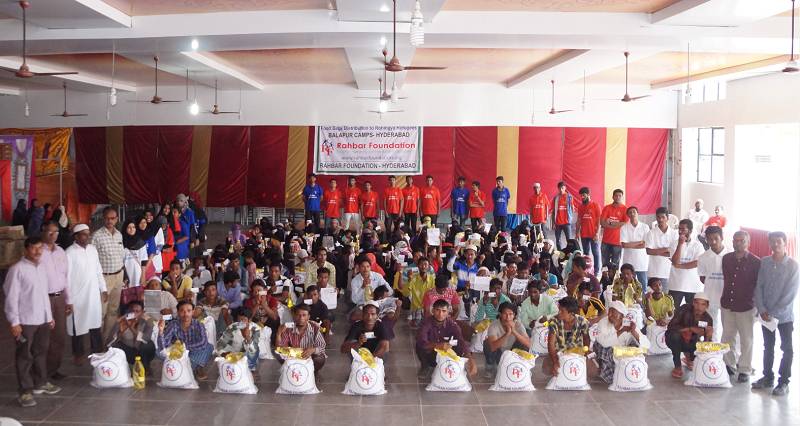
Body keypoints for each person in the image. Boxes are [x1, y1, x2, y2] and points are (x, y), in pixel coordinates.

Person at [4, 237, 61, 407]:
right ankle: (25, 391)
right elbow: (11, 297)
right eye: (34, 248)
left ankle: (40, 383)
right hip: (26, 320)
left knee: (41, 352)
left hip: (42, 319)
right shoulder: (17, 270)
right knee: (24, 355)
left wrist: (49, 317)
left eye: (40, 248)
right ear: (26, 250)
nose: (37, 252)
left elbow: (44, 295)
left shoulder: (42, 268)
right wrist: (14, 322)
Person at [752, 231, 799, 396]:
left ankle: (783, 382)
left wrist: (773, 312)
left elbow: (790, 294)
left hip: (784, 317)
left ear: (785, 242)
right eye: (772, 242)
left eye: (778, 241)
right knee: (767, 347)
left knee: (787, 348)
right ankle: (767, 377)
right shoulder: (764, 262)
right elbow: (759, 286)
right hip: (765, 315)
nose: (775, 245)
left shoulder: (793, 265)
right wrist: (762, 309)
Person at [720, 230, 760, 384]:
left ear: (748, 242)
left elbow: (758, 285)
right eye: (735, 240)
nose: (738, 243)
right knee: (727, 337)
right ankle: (729, 364)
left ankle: (744, 369)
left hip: (746, 306)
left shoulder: (756, 262)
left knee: (746, 339)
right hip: (728, 304)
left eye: (741, 240)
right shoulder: (726, 259)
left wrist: (758, 306)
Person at [66, 224, 107, 364]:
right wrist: (69, 299)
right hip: (77, 297)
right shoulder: (69, 252)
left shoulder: (92, 250)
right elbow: (67, 277)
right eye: (84, 234)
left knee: (95, 323)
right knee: (78, 325)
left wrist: (103, 289)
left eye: (88, 233)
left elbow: (98, 270)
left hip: (93, 294)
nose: (87, 236)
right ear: (76, 236)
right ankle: (78, 354)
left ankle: (98, 350)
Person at [415, 299, 477, 379]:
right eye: (438, 310)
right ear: (433, 311)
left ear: (448, 312)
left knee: (458, 344)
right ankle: (425, 367)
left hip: (447, 355)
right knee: (419, 345)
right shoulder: (426, 323)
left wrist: (471, 360)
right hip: (431, 355)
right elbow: (422, 341)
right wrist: (437, 345)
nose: (440, 314)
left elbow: (461, 341)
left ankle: (452, 366)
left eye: (444, 311)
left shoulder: (452, 324)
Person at [40, 221, 71, 380]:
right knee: (43, 337)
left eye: (56, 232)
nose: (53, 235)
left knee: (59, 337)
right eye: (49, 232)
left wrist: (69, 300)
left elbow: (65, 278)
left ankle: (52, 369)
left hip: (59, 298)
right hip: (42, 299)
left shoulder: (60, 252)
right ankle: (39, 372)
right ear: (43, 231)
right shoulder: (38, 251)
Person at [157, 300, 215, 379]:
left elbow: (203, 342)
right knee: (158, 351)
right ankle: (189, 367)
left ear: (193, 312)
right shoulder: (173, 324)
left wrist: (183, 347)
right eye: (182, 311)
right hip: (178, 353)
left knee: (209, 347)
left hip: (194, 352)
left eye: (188, 311)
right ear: (178, 312)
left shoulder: (198, 325)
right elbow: (165, 345)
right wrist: (160, 331)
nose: (186, 314)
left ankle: (197, 367)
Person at [91, 206, 125, 339]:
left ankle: (105, 340)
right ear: (103, 219)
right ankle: (96, 342)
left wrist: (124, 275)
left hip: (119, 276)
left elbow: (121, 255)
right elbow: (92, 260)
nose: (110, 221)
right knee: (100, 311)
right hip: (104, 278)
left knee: (113, 310)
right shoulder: (96, 236)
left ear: (116, 219)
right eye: (107, 218)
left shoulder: (119, 234)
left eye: (112, 218)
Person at [593, 301, 643, 384]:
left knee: (636, 346)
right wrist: (621, 331)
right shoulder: (603, 323)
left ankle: (628, 373)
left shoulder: (629, 323)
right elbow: (604, 342)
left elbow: (644, 344)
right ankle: (606, 372)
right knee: (602, 346)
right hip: (608, 351)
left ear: (622, 316)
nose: (609, 315)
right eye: (609, 312)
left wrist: (633, 331)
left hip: (622, 352)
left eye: (613, 313)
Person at [666, 293, 713, 379]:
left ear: (707, 306)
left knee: (697, 346)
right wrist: (690, 329)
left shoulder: (708, 319)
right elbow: (671, 327)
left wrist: (708, 336)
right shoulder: (684, 309)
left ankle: (689, 358)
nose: (699, 307)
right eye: (697, 303)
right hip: (674, 340)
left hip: (692, 343)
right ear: (693, 303)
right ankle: (677, 366)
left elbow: (707, 344)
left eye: (703, 304)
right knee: (675, 336)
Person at [697, 226, 730, 343]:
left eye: (716, 238)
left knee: (729, 327)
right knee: (710, 325)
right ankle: (712, 350)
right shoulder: (703, 257)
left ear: (722, 237)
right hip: (710, 296)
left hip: (728, 297)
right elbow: (702, 277)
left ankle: (728, 354)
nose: (713, 242)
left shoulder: (731, 255)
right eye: (710, 239)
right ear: (706, 240)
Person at [545, 297, 591, 376]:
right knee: (546, 368)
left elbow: (586, 339)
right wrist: (555, 362)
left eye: (562, 311)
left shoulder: (583, 321)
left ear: (571, 313)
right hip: (559, 354)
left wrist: (585, 355)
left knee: (592, 371)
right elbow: (551, 344)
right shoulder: (554, 322)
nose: (559, 313)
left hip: (577, 354)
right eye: (559, 309)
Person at [483, 302, 531, 378]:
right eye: (505, 314)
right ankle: (490, 365)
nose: (508, 317)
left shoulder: (518, 325)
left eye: (511, 314)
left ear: (514, 315)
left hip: (513, 353)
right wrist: (507, 333)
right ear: (500, 314)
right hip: (499, 354)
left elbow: (528, 344)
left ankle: (519, 366)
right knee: (487, 343)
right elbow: (492, 347)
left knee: (523, 343)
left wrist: (514, 331)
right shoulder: (494, 325)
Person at [276, 304, 327, 372]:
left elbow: (322, 346)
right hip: (293, 357)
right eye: (298, 315)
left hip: (310, 357)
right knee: (279, 354)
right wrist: (278, 333)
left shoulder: (315, 327)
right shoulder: (288, 328)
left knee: (320, 358)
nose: (301, 318)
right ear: (294, 316)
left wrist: (312, 350)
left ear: (308, 317)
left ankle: (312, 372)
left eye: (304, 315)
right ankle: (292, 372)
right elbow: (280, 348)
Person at [107, 301, 156, 370]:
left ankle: (145, 367)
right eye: (132, 311)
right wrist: (118, 322)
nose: (134, 313)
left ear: (142, 312)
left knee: (147, 345)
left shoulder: (147, 321)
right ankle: (119, 368)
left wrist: (131, 327)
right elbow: (111, 340)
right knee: (115, 346)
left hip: (142, 352)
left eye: (137, 311)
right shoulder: (123, 321)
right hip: (129, 352)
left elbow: (146, 338)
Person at [668, 219, 705, 307]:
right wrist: (680, 244)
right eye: (679, 229)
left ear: (690, 231)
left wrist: (679, 266)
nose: (680, 232)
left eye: (683, 229)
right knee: (672, 313)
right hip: (676, 285)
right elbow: (675, 261)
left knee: (693, 314)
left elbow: (697, 263)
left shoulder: (698, 245)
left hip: (693, 286)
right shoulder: (674, 243)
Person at [646, 207, 677, 292]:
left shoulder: (674, 234)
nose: (660, 219)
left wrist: (657, 251)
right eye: (658, 217)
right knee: (651, 298)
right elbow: (649, 251)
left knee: (665, 298)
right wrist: (666, 249)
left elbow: (674, 253)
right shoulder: (651, 233)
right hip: (653, 271)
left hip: (668, 271)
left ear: (667, 218)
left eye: (663, 217)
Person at [600, 189, 628, 277]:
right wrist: (617, 224)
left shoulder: (625, 209)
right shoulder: (607, 208)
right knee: (605, 264)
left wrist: (611, 223)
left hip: (618, 242)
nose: (618, 197)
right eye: (616, 195)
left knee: (615, 265)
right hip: (606, 241)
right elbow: (602, 222)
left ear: (622, 197)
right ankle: (605, 281)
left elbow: (625, 224)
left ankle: (614, 282)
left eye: (620, 196)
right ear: (613, 197)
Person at [620, 206, 650, 289]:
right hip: (628, 262)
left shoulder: (645, 227)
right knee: (627, 287)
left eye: (634, 212)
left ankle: (643, 302)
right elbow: (624, 245)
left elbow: (645, 244)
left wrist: (631, 244)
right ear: (628, 215)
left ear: (638, 213)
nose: (632, 214)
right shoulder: (624, 227)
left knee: (643, 287)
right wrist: (640, 242)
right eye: (630, 212)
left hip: (642, 262)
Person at [576, 187, 602, 276]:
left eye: (584, 195)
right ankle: (587, 270)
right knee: (586, 254)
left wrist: (597, 233)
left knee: (596, 253)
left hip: (593, 234)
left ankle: (596, 271)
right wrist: (576, 232)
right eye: (581, 196)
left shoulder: (595, 205)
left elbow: (599, 221)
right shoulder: (580, 207)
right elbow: (579, 220)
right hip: (584, 234)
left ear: (588, 195)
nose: (582, 197)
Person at [407, 256, 435, 326]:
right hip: (416, 308)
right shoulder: (412, 278)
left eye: (425, 264)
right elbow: (406, 293)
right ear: (417, 266)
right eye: (421, 264)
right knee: (416, 326)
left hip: (428, 308)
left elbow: (434, 295)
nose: (423, 266)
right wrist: (409, 280)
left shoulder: (432, 279)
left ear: (428, 267)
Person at [551, 181, 576, 251]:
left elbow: (572, 209)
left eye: (562, 188)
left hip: (566, 223)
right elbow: (553, 211)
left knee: (569, 240)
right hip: (558, 223)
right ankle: (560, 254)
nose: (561, 190)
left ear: (565, 188)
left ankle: (569, 254)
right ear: (558, 189)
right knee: (558, 240)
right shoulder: (556, 198)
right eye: (559, 188)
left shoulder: (569, 197)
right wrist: (553, 223)